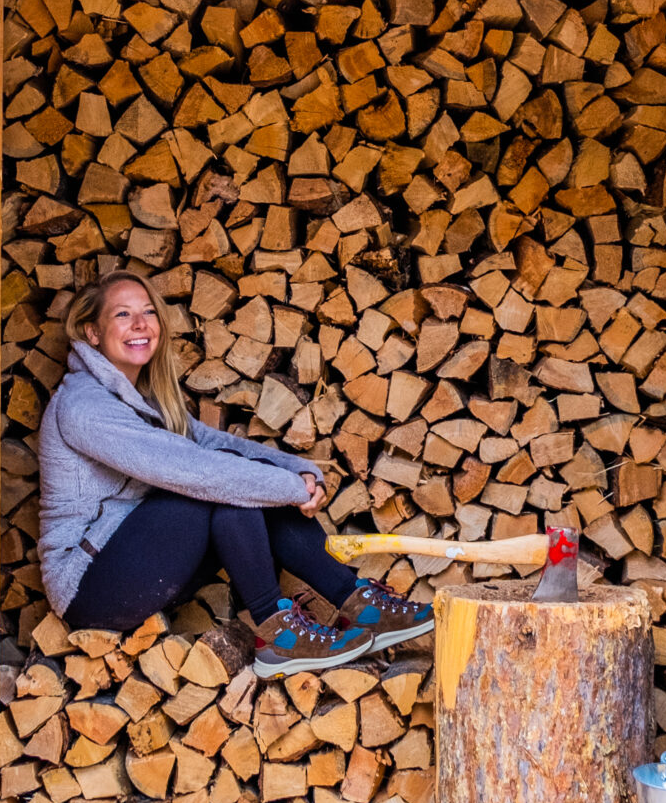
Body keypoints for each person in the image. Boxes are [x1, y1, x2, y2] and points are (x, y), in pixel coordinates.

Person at [37, 270, 433, 678]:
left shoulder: (146, 398)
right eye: (123, 314)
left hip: (139, 558)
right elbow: (193, 469)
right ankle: (277, 635)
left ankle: (357, 603)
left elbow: (213, 445)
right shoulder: (84, 406)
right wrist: (289, 489)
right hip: (90, 585)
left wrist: (298, 471)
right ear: (93, 332)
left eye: (149, 312)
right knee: (225, 487)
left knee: (244, 480)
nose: (140, 325)